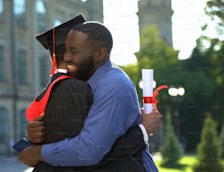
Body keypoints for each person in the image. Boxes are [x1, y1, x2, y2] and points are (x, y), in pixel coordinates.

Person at [19, 17, 161, 172]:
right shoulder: (70, 89)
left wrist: (33, 149)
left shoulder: (110, 83)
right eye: (64, 52)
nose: (67, 58)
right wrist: (140, 132)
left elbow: (89, 150)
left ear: (99, 54)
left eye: (74, 51)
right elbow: (89, 150)